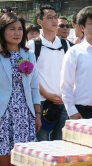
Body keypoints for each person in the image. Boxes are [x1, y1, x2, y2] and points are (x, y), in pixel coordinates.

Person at [0, 13, 41, 166]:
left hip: (25, 114)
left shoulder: (29, 55)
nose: (17, 33)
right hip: (3, 115)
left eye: (20, 29)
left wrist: (37, 114)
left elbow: (34, 86)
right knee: (4, 157)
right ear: (2, 31)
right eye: (12, 29)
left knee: (24, 159)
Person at [27, 5, 70, 141]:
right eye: (49, 17)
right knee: (42, 142)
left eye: (55, 17)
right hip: (42, 102)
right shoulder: (32, 45)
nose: (54, 21)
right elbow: (30, 75)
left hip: (63, 101)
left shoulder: (65, 44)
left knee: (61, 142)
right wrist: (46, 94)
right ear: (39, 22)